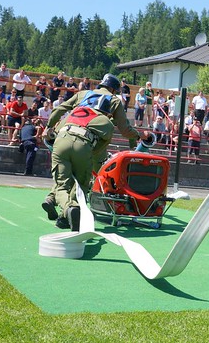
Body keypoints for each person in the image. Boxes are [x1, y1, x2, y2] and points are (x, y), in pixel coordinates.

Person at [41, 74, 146, 230]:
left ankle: (58, 206)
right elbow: (125, 130)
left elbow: (59, 109)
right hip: (87, 142)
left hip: (63, 134)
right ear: (113, 90)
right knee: (81, 184)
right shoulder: (113, 104)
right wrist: (138, 137)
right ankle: (71, 209)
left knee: (62, 183)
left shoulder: (83, 93)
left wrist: (48, 127)